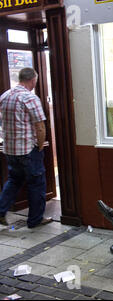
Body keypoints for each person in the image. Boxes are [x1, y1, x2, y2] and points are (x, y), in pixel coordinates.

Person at [0, 68, 51, 228]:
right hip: (28, 150)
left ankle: (0, 211)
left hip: (9, 149)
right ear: (33, 80)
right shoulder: (29, 98)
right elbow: (40, 126)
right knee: (36, 183)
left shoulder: (5, 95)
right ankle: (35, 220)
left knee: (14, 180)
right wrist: (41, 145)